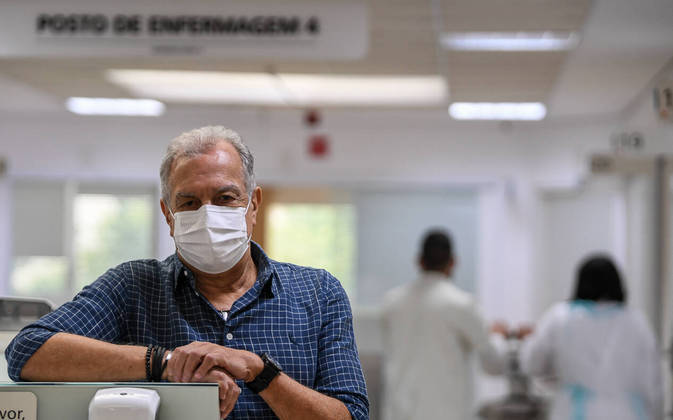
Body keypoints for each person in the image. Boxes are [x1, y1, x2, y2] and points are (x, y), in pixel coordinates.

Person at [5, 126, 368, 420]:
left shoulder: (318, 293)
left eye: (226, 198)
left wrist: (260, 372)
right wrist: (165, 363)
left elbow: (349, 415)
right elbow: (28, 351)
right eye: (190, 202)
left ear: (252, 205)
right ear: (168, 214)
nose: (208, 215)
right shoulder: (133, 287)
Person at [380, 229, 506, 420]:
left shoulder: (391, 303)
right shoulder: (461, 304)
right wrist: (497, 336)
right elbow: (494, 364)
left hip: (398, 414)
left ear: (419, 261)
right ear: (453, 262)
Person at [520, 255, 662, 420]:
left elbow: (532, 363)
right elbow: (653, 383)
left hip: (576, 412)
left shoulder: (561, 317)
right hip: (628, 413)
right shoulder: (637, 322)